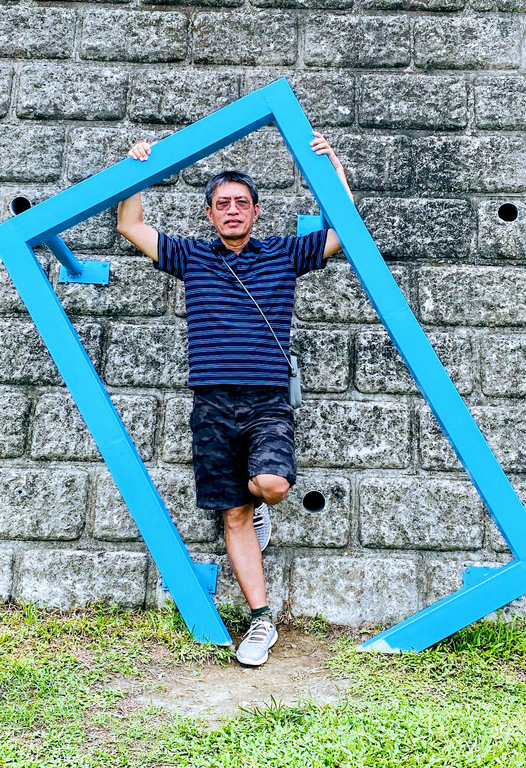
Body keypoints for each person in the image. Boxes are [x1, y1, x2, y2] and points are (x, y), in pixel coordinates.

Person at [117, 130, 353, 666]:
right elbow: (131, 225)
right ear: (209, 213)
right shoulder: (191, 257)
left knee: (271, 485)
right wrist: (135, 171)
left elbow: (345, 229)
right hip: (211, 403)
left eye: (241, 203)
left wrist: (333, 166)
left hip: (267, 399)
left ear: (255, 211)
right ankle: (261, 620)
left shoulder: (283, 255)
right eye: (222, 203)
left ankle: (257, 507)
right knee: (233, 517)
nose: (231, 210)